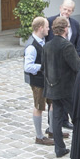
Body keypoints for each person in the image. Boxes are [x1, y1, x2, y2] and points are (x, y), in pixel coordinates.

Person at [41, 17, 80, 158]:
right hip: (67, 88)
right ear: (65, 29)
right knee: (77, 118)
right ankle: (78, 146)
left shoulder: (47, 46)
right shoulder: (67, 46)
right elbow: (77, 66)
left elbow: (43, 67)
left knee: (56, 119)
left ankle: (59, 148)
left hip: (52, 87)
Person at [23, 16, 50, 146]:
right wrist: (43, 67)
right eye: (46, 27)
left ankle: (50, 130)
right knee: (38, 106)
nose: (48, 29)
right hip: (37, 80)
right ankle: (39, 136)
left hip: (44, 79)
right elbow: (28, 67)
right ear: (40, 28)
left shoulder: (42, 40)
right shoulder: (32, 46)